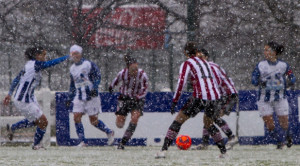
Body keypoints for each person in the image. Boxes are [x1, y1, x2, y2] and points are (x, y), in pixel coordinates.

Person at [155, 42, 227, 159]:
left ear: (185, 53)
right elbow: (216, 81)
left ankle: (163, 151)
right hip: (214, 97)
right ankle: (224, 152)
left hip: (200, 96)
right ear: (197, 51)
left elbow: (181, 83)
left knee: (178, 120)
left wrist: (175, 101)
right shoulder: (206, 62)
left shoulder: (187, 63)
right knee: (209, 124)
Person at [4, 46, 69, 150]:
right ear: (37, 56)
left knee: (38, 121)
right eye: (43, 54)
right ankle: (36, 145)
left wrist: (10, 93)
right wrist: (66, 57)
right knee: (43, 121)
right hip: (23, 100)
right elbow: (50, 64)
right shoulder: (35, 64)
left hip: (27, 98)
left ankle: (13, 128)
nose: (45, 57)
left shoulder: (29, 64)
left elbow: (17, 79)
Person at [192, 48, 239, 150]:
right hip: (215, 95)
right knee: (208, 117)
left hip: (224, 95)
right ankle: (206, 143)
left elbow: (221, 81)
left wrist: (232, 93)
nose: (199, 60)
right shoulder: (200, 69)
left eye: (201, 57)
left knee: (212, 117)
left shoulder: (211, 67)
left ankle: (231, 137)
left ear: (207, 57)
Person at [68, 44, 114, 147]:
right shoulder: (72, 68)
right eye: (73, 54)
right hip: (79, 96)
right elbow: (72, 84)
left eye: (77, 53)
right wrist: (69, 97)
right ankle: (83, 141)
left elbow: (97, 76)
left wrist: (95, 88)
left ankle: (109, 131)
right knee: (76, 117)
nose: (75, 56)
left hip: (91, 96)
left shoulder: (88, 64)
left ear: (80, 54)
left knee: (93, 121)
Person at [252, 41, 295, 149]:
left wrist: (289, 82)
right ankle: (279, 142)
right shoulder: (261, 65)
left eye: (267, 50)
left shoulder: (283, 65)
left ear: (274, 52)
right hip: (264, 99)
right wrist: (259, 82)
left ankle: (288, 137)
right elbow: (253, 80)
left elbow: (292, 77)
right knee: (269, 124)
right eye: (265, 50)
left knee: (284, 122)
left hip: (280, 98)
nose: (265, 52)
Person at [109, 54, 149, 150]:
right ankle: (123, 117)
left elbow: (145, 89)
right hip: (124, 98)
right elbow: (115, 81)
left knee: (135, 118)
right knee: (119, 124)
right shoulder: (122, 73)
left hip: (137, 99)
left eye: (136, 69)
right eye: (132, 70)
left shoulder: (143, 75)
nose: (135, 72)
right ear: (128, 68)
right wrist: (111, 87)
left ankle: (123, 142)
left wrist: (138, 97)